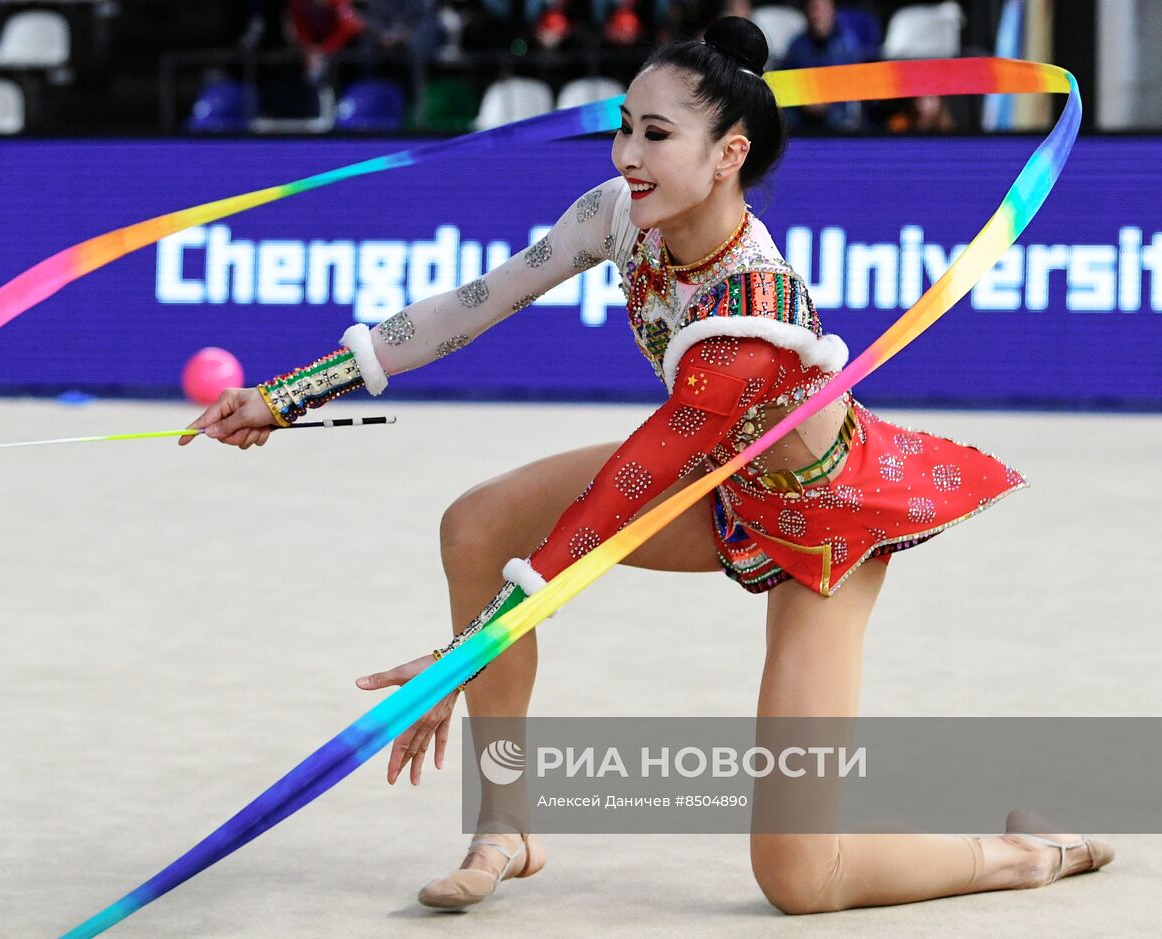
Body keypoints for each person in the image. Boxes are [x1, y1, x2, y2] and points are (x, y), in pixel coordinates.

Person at [181, 15, 1115, 916]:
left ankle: (1033, 851)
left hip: (816, 525)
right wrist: (288, 392)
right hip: (715, 484)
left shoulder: (755, 312)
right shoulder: (618, 214)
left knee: (799, 875)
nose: (628, 153)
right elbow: (473, 302)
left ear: (729, 154)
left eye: (656, 134)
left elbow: (625, 490)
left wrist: (471, 647)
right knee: (476, 523)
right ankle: (505, 824)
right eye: (623, 127)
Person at [780, 0, 867, 131]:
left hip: (837, 110)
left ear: (833, 11)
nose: (818, 16)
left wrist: (826, 100)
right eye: (814, 9)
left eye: (823, 9)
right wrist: (803, 99)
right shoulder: (796, 45)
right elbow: (784, 83)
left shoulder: (847, 45)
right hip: (801, 111)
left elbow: (853, 84)